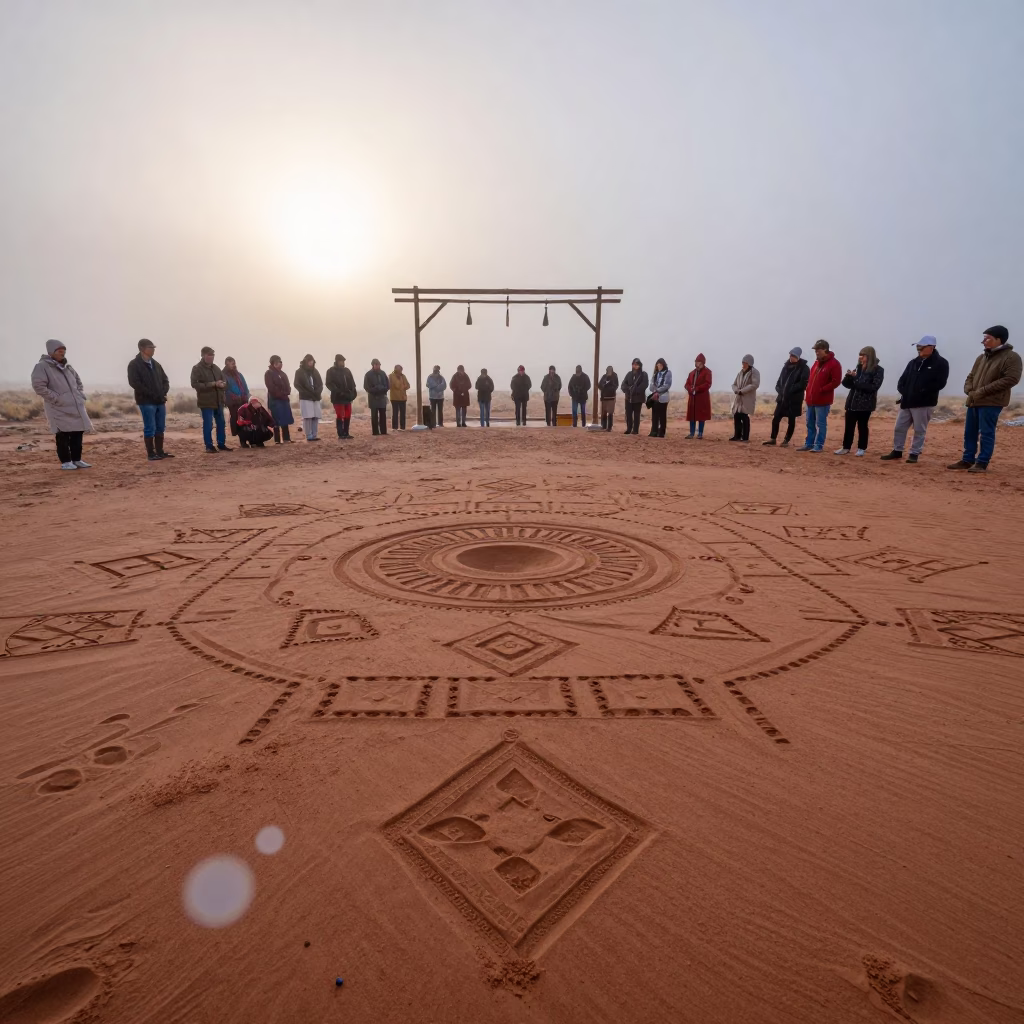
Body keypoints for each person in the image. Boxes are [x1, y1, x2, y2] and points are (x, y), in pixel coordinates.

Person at [948, 325, 1022, 474]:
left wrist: (982, 391)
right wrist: (969, 389)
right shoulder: (981, 357)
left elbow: (1011, 379)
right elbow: (971, 376)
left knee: (986, 432)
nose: (983, 341)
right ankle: (968, 459)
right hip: (974, 400)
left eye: (987, 338)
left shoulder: (1012, 357)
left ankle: (982, 462)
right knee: (970, 432)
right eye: (984, 338)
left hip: (992, 402)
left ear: (998, 339)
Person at [879, 336, 949, 463]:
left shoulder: (941, 363)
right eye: (918, 346)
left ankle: (914, 454)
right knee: (899, 427)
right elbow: (903, 379)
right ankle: (897, 451)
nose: (918, 349)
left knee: (919, 430)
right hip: (907, 402)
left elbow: (940, 383)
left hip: (924, 403)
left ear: (931, 347)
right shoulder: (913, 362)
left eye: (921, 346)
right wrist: (904, 391)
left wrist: (921, 392)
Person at [31, 339, 93, 470]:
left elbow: (78, 382)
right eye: (59, 351)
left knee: (77, 433)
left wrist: (79, 395)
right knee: (63, 434)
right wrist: (57, 398)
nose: (62, 354)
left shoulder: (68, 367)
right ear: (51, 352)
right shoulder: (42, 366)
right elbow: (39, 386)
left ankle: (77, 459)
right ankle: (66, 462)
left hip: (75, 405)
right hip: (57, 407)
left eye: (64, 351)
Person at [127, 338, 172, 460]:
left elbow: (165, 380)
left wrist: (163, 391)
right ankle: (151, 454)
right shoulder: (134, 365)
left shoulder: (156, 364)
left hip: (160, 401)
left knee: (160, 427)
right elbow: (135, 383)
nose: (153, 350)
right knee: (150, 427)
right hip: (146, 402)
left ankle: (160, 451)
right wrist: (152, 394)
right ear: (142, 349)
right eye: (150, 347)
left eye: (153, 348)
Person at [835, 347, 884, 455]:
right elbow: (847, 385)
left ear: (870, 356)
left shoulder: (878, 370)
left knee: (862, 426)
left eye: (863, 355)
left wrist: (856, 379)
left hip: (865, 404)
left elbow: (873, 387)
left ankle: (861, 448)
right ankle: (846, 447)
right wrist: (848, 377)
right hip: (852, 402)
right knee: (849, 426)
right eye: (860, 354)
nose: (860, 357)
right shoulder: (859, 368)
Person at [799, 340, 842, 452]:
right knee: (810, 423)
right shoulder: (816, 363)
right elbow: (811, 379)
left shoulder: (834, 364)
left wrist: (822, 389)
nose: (816, 352)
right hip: (810, 399)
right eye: (815, 350)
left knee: (820, 424)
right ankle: (809, 443)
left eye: (818, 350)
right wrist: (808, 391)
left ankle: (818, 445)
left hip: (822, 401)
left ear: (825, 350)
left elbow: (836, 381)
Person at [764, 348, 809, 447]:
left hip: (794, 399)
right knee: (776, 418)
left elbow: (803, 384)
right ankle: (773, 439)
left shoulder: (804, 368)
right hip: (782, 398)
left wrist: (790, 390)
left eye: (793, 355)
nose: (791, 357)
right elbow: (779, 381)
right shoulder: (786, 366)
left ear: (797, 356)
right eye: (790, 355)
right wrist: (780, 390)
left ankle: (786, 440)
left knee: (791, 420)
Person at [191, 346, 231, 453]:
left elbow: (225, 381)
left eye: (212, 355)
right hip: (206, 401)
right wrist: (213, 384)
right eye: (209, 355)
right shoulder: (197, 368)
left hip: (218, 400)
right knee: (208, 424)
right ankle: (209, 446)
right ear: (203, 355)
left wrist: (224, 384)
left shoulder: (216, 368)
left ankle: (221, 444)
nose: (211, 357)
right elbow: (195, 384)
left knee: (221, 423)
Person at [325, 354, 357, 440]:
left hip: (347, 397)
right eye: (340, 361)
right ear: (336, 361)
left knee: (348, 415)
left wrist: (353, 393)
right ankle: (340, 433)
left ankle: (346, 432)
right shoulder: (331, 371)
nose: (342, 363)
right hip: (338, 398)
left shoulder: (347, 371)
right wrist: (338, 391)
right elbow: (329, 383)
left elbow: (352, 383)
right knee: (340, 415)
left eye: (343, 361)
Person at [729, 355, 759, 442]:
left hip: (747, 398)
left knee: (744, 416)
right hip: (738, 397)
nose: (743, 364)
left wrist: (743, 391)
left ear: (749, 363)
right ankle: (737, 436)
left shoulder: (754, 372)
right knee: (737, 415)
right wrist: (736, 390)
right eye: (742, 362)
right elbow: (734, 384)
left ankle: (745, 437)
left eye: (745, 362)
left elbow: (755, 385)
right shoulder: (740, 372)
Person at [294, 354, 323, 441]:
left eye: (312, 361)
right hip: (305, 397)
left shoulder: (315, 371)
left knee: (315, 416)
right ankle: (309, 435)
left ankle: (314, 434)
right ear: (305, 362)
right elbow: (297, 384)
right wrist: (305, 392)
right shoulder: (299, 372)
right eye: (309, 361)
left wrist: (317, 392)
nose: (311, 363)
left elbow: (320, 384)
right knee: (308, 417)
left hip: (316, 397)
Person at [265, 355, 293, 444]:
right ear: (273, 364)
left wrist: (286, 392)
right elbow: (271, 387)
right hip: (275, 400)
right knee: (276, 419)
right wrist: (280, 394)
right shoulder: (268, 373)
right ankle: (277, 440)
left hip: (284, 399)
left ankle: (286, 438)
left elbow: (288, 386)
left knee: (285, 418)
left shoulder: (283, 374)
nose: (279, 364)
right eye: (277, 363)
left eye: (280, 362)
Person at [222, 357, 251, 445]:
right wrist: (234, 396)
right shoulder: (224, 376)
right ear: (226, 364)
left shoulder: (239, 375)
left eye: (234, 363)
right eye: (231, 363)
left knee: (246, 419)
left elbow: (245, 387)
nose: (233, 365)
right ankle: (242, 440)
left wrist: (246, 395)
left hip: (243, 400)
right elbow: (225, 389)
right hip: (233, 402)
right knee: (237, 420)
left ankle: (249, 438)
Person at [684, 354, 712, 439]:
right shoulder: (692, 373)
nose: (698, 364)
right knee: (692, 415)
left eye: (699, 362)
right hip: (692, 397)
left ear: (703, 363)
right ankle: (692, 433)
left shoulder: (707, 372)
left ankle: (700, 433)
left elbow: (708, 384)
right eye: (696, 362)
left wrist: (697, 389)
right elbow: (687, 384)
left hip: (702, 397)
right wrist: (690, 389)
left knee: (701, 415)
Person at [621, 359, 648, 435]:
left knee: (636, 414)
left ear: (639, 365)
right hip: (628, 397)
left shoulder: (643, 374)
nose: (635, 366)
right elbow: (623, 384)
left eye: (636, 364)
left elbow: (644, 384)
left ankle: (635, 430)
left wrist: (635, 390)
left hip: (638, 398)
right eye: (633, 364)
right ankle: (629, 428)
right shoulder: (629, 374)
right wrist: (628, 389)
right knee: (628, 414)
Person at [364, 359, 390, 435]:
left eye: (378, 364)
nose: (377, 366)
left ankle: (383, 431)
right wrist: (375, 390)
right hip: (373, 398)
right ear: (373, 365)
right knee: (374, 416)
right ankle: (375, 432)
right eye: (375, 364)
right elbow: (366, 387)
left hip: (382, 397)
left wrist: (383, 389)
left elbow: (387, 385)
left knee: (383, 415)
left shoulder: (383, 373)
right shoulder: (368, 374)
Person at [648, 358, 672, 437]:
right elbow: (651, 385)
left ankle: (662, 432)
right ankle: (654, 431)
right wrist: (653, 389)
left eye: (660, 365)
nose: (659, 366)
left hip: (663, 397)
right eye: (658, 365)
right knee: (655, 415)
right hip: (655, 397)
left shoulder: (668, 373)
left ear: (663, 365)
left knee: (662, 415)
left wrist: (657, 390)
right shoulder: (655, 374)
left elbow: (667, 385)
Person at [389, 364, 410, 431]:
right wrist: (402, 385)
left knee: (403, 413)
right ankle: (394, 427)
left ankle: (402, 427)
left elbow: (408, 385)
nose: (399, 371)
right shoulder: (391, 376)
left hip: (402, 397)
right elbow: (393, 385)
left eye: (400, 370)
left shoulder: (403, 376)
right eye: (398, 370)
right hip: (394, 397)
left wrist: (404, 386)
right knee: (395, 413)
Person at [598, 365, 618, 431]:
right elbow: (599, 385)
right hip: (604, 397)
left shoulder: (614, 377)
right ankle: (603, 426)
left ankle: (609, 427)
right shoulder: (604, 377)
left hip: (611, 397)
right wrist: (603, 387)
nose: (609, 371)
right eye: (608, 370)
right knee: (603, 412)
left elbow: (615, 386)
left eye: (610, 370)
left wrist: (608, 388)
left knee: (610, 412)